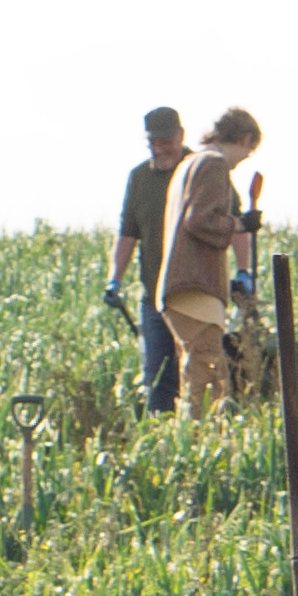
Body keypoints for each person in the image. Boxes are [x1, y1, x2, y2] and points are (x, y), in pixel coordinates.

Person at [156, 107, 263, 417]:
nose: (242, 160)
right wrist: (240, 225)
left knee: (195, 373)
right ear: (243, 139)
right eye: (247, 152)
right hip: (196, 286)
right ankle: (200, 444)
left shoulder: (188, 164)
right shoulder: (214, 165)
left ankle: (192, 442)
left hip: (178, 286)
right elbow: (200, 220)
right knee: (207, 378)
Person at [101, 106, 185, 414]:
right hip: (154, 298)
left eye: (167, 141)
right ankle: (160, 439)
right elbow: (127, 233)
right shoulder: (139, 178)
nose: (160, 149)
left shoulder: (201, 169)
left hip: (192, 294)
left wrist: (244, 272)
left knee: (196, 373)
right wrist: (115, 279)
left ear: (180, 136)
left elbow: (232, 222)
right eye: (154, 142)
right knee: (157, 378)